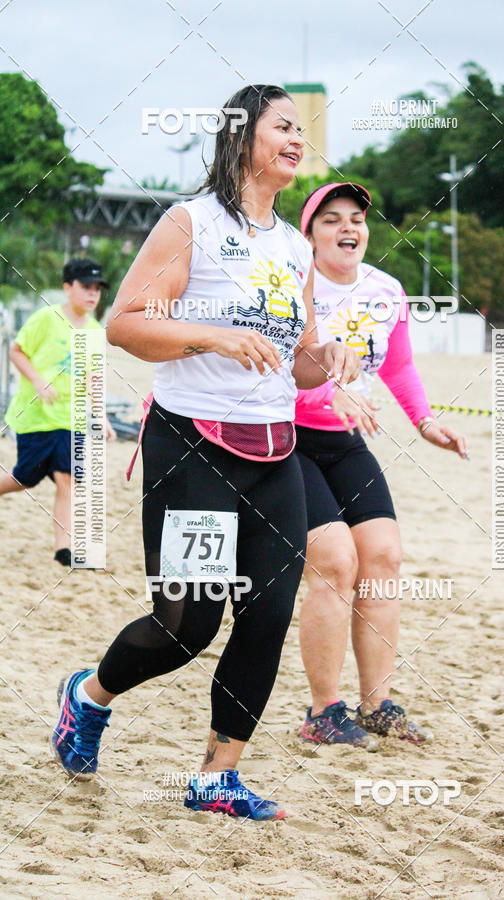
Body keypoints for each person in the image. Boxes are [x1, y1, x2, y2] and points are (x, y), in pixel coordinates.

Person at [51, 87, 360, 821]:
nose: (296, 138)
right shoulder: (190, 221)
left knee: (266, 615)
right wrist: (211, 334)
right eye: (282, 126)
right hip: (195, 447)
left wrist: (332, 358)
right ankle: (88, 696)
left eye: (300, 130)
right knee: (186, 625)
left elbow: (297, 360)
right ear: (241, 135)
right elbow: (125, 324)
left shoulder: (293, 246)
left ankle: (218, 777)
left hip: (274, 454)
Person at [294, 182, 468, 749]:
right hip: (286, 439)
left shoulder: (386, 291)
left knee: (385, 556)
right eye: (331, 220)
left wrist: (425, 422)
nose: (349, 228)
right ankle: (324, 711)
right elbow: (269, 373)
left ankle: (376, 705)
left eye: (357, 219)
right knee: (335, 560)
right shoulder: (291, 285)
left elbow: (398, 368)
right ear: (309, 234)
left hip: (345, 441)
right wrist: (325, 394)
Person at [1, 258, 116, 567]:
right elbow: (16, 351)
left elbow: (93, 379)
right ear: (67, 288)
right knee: (24, 478)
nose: (92, 294)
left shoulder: (94, 331)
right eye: (85, 287)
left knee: (68, 479)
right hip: (36, 417)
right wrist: (38, 380)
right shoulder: (46, 318)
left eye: (97, 289)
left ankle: (64, 549)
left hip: (70, 419)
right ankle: (64, 548)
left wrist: (101, 416)